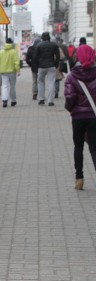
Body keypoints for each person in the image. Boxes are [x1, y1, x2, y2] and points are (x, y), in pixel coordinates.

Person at [64, 44, 96, 191]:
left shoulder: (72, 76)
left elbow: (70, 98)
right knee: (94, 148)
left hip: (78, 117)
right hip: (93, 116)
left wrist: (71, 109)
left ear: (78, 57)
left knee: (78, 147)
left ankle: (79, 179)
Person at [34, 31, 60, 106]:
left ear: (42, 38)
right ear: (49, 37)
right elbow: (57, 56)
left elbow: (35, 57)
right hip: (51, 66)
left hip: (41, 67)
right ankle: (50, 101)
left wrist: (37, 65)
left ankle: (41, 99)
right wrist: (56, 64)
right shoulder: (54, 45)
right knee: (51, 83)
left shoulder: (39, 45)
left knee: (41, 82)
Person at [0, 38, 21, 107]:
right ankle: (13, 100)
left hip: (3, 72)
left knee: (4, 86)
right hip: (12, 72)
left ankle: (4, 101)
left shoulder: (1, 52)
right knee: (12, 86)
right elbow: (16, 62)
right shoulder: (14, 52)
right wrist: (18, 70)